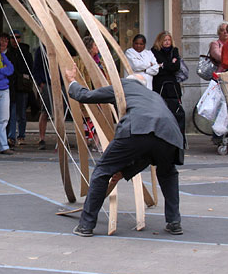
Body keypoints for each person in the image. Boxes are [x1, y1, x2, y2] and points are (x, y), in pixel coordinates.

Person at [64, 64, 184, 237]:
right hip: (170, 134)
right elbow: (149, 150)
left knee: (102, 171)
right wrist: (125, 171)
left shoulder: (124, 86)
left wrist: (72, 80)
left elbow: (86, 95)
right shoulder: (153, 96)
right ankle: (174, 222)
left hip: (137, 127)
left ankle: (86, 225)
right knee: (168, 172)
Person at [151, 31, 185, 134]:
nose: (167, 42)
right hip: (160, 84)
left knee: (175, 109)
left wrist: (163, 65)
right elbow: (157, 68)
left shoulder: (174, 50)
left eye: (169, 40)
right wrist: (169, 64)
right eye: (165, 40)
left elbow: (176, 67)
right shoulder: (154, 51)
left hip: (173, 85)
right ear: (160, 41)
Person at [6, 30, 33, 145]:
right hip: (12, 87)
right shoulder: (8, 53)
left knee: (21, 113)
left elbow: (30, 68)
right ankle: (11, 136)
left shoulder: (25, 52)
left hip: (22, 87)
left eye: (17, 37)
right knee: (12, 113)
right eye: (12, 38)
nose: (15, 40)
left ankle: (21, 136)